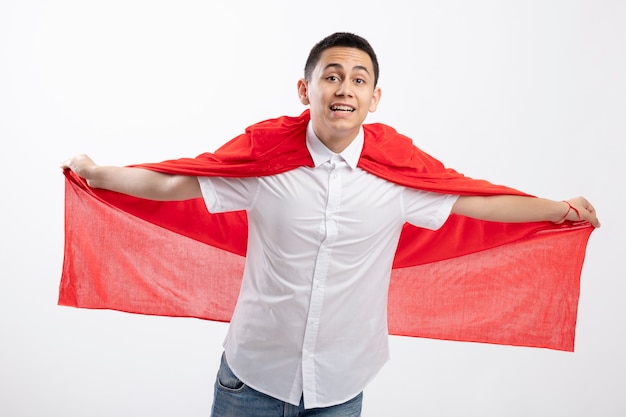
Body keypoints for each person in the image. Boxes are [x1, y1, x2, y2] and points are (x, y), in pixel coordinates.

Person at [61, 32, 600, 417]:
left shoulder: (399, 175)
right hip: (251, 376)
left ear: (373, 99)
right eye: (332, 76)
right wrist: (99, 173)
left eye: (358, 79)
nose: (345, 88)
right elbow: (175, 183)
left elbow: (473, 203)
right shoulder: (265, 162)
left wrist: (555, 208)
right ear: (306, 90)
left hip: (341, 386)